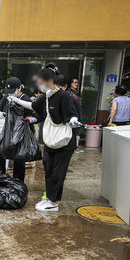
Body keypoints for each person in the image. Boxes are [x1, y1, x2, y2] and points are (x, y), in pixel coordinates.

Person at [9, 67, 82, 212]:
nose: (40, 85)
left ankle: (54, 202)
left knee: (58, 171)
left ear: (49, 81)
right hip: (51, 139)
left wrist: (73, 120)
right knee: (48, 167)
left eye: (41, 81)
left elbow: (72, 114)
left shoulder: (64, 96)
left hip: (64, 141)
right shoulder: (48, 96)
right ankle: (49, 197)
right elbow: (33, 105)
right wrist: (16, 100)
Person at [0, 76, 37, 181]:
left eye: (13, 91)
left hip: (23, 133)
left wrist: (30, 119)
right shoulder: (7, 98)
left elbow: (35, 113)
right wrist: (0, 114)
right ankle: (2, 175)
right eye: (9, 91)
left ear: (19, 88)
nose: (11, 93)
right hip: (9, 131)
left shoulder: (25, 99)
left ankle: (18, 181)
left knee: (19, 157)